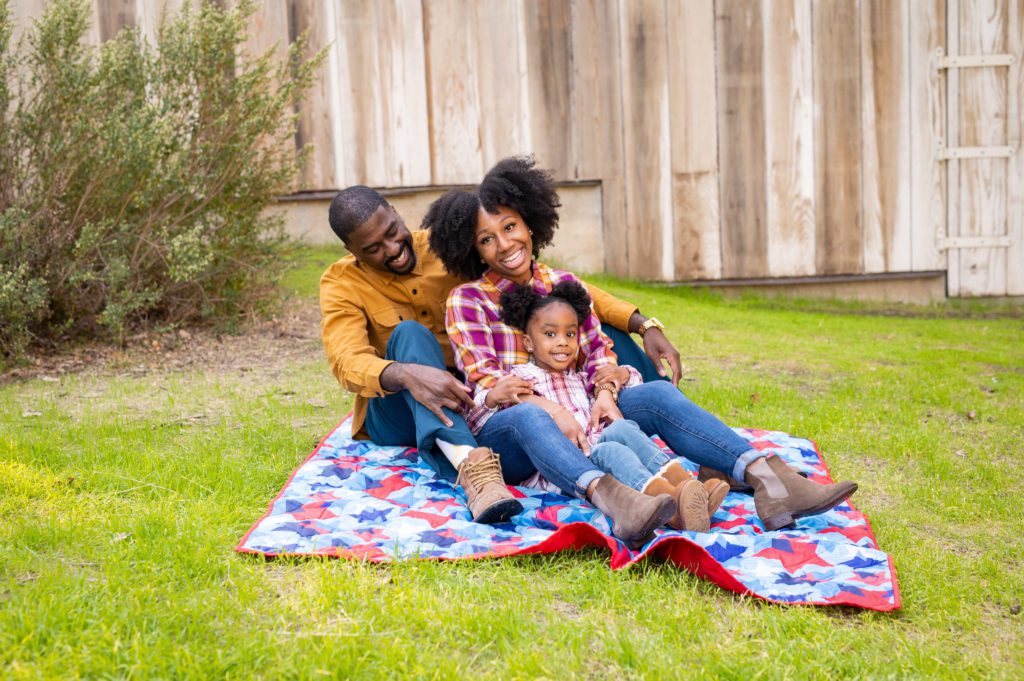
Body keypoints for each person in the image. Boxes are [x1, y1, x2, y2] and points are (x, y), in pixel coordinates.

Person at [425, 155, 859, 538]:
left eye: (510, 227)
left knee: (655, 394)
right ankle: (619, 504)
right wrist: (552, 409)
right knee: (527, 417)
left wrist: (607, 394)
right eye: (487, 239)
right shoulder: (469, 299)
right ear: (474, 249)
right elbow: (487, 380)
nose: (505, 244)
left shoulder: (565, 284)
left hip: (583, 413)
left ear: (528, 222)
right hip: (512, 432)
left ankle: (768, 479)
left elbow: (599, 354)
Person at [319, 185, 683, 527]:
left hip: (471, 391)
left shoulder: (445, 244)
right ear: (353, 251)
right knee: (410, 335)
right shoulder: (340, 284)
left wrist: (641, 323)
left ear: (396, 213)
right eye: (374, 248)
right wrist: (407, 374)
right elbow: (346, 360)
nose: (392, 247)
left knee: (596, 328)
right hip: (401, 406)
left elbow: (556, 288)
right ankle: (473, 468)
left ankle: (683, 434)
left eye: (392, 231)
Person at [489, 279, 730, 532]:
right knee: (613, 451)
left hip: (598, 449)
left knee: (623, 429)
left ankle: (690, 490)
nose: (562, 342)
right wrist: (493, 396)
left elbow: (633, 379)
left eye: (570, 334)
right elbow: (488, 411)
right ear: (528, 343)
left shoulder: (580, 377)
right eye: (550, 334)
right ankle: (675, 511)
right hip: (565, 468)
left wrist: (621, 375)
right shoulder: (522, 378)